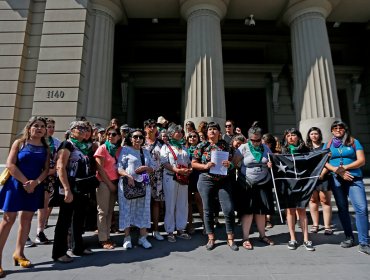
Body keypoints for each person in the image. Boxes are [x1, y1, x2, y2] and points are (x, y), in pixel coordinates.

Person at [0, 116, 49, 274]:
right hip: (15, 185)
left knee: (27, 219)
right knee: (8, 220)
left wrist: (35, 183)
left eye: (42, 126)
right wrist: (25, 182)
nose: (39, 128)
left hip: (34, 187)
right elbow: (10, 164)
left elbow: (46, 170)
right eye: (36, 125)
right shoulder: (19, 143)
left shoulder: (45, 147)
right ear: (29, 128)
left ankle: (19, 253)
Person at [52, 121, 95, 263]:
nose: (83, 130)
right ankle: (59, 252)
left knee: (78, 219)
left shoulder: (83, 147)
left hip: (81, 188)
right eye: (79, 128)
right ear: (71, 130)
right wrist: (66, 189)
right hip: (69, 188)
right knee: (64, 220)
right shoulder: (67, 145)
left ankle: (77, 247)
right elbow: (60, 167)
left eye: (85, 128)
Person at [324, 121, 370, 254]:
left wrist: (344, 168)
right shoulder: (329, 144)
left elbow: (361, 160)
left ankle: (364, 242)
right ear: (332, 130)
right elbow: (325, 162)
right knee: (342, 208)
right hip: (336, 179)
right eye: (335, 128)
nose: (338, 129)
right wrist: (336, 170)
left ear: (345, 129)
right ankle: (349, 237)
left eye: (340, 127)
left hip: (354, 178)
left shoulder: (354, 141)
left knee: (361, 208)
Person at [192, 122, 238, 251]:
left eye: (215, 129)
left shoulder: (226, 145)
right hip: (206, 179)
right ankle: (211, 237)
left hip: (223, 180)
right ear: (207, 132)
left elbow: (233, 164)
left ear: (219, 132)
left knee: (228, 209)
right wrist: (205, 166)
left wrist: (230, 165)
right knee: (208, 209)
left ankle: (230, 238)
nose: (212, 131)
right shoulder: (201, 145)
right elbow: (194, 163)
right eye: (210, 129)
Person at [233, 124, 275, 250]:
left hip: (263, 182)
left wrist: (270, 164)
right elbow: (235, 163)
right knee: (248, 211)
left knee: (261, 211)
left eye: (258, 140)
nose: (256, 142)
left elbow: (272, 161)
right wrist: (242, 175)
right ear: (249, 138)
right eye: (253, 140)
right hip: (247, 184)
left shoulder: (266, 148)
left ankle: (263, 235)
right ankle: (246, 238)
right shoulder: (243, 148)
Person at [117, 129, 154, 249]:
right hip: (128, 185)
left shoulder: (146, 152)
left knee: (143, 210)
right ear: (130, 138)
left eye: (140, 137)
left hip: (144, 184)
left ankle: (143, 237)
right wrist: (128, 176)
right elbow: (119, 167)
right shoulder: (125, 150)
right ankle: (127, 237)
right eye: (135, 137)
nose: (138, 139)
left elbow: (153, 167)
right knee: (127, 210)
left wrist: (146, 168)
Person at [280, 128, 314, 251]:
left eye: (293, 135)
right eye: (288, 135)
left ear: (298, 137)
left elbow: (313, 162)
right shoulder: (283, 150)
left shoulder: (305, 150)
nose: (290, 137)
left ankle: (306, 239)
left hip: (302, 183)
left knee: (302, 210)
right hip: (288, 184)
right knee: (290, 211)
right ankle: (292, 238)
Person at [161, 125, 192, 242]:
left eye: (180, 131)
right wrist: (177, 170)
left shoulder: (184, 147)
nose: (179, 133)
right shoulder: (166, 147)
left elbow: (189, 161)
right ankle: (169, 231)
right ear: (171, 134)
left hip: (183, 178)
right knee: (170, 204)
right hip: (170, 177)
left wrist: (189, 170)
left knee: (182, 203)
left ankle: (181, 229)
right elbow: (164, 162)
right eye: (176, 131)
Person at [94, 126, 122, 250]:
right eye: (108, 133)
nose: (110, 136)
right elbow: (99, 169)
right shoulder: (102, 148)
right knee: (102, 211)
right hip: (104, 183)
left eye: (114, 134)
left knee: (110, 211)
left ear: (119, 136)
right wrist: (110, 184)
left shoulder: (120, 149)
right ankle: (102, 238)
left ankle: (107, 236)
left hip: (115, 182)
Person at [35, 118, 61, 244]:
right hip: (35, 175)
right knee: (31, 206)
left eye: (52, 127)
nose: (51, 129)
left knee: (45, 204)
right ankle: (30, 232)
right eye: (49, 126)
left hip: (50, 176)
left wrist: (54, 169)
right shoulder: (37, 141)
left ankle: (40, 231)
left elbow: (58, 159)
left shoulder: (56, 142)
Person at [305, 127, 333, 235]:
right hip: (311, 179)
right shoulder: (307, 148)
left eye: (316, 133)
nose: (314, 136)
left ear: (319, 135)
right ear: (309, 136)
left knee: (325, 201)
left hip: (323, 177)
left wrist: (322, 173)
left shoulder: (325, 147)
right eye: (311, 134)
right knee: (313, 201)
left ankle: (327, 226)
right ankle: (315, 224)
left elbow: (329, 161)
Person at [143, 119, 165, 241]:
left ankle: (156, 230)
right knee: (145, 202)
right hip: (144, 176)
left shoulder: (161, 143)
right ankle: (144, 230)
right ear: (145, 128)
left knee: (156, 202)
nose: (152, 128)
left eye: (154, 126)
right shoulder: (140, 141)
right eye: (149, 126)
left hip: (158, 176)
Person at [185, 131, 204, 234]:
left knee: (199, 201)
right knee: (187, 202)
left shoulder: (202, 149)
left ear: (198, 138)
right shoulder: (185, 149)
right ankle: (190, 225)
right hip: (187, 176)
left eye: (194, 136)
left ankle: (205, 224)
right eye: (190, 136)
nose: (192, 138)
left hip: (198, 175)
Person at [262, 133, 278, 229]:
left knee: (268, 198)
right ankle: (261, 218)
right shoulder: (260, 151)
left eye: (266, 143)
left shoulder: (275, 153)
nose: (264, 145)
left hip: (271, 178)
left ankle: (268, 219)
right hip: (262, 177)